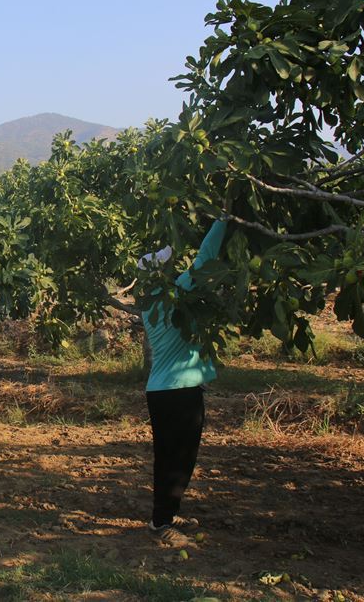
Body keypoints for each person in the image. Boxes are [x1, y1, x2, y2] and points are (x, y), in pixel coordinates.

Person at [139, 218, 227, 546]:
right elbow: (205, 260)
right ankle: (161, 522)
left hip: (165, 391)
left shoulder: (150, 304)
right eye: (167, 265)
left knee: (176, 457)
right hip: (177, 393)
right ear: (160, 273)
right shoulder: (176, 295)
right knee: (175, 460)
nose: (172, 267)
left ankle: (168, 512)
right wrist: (223, 219)